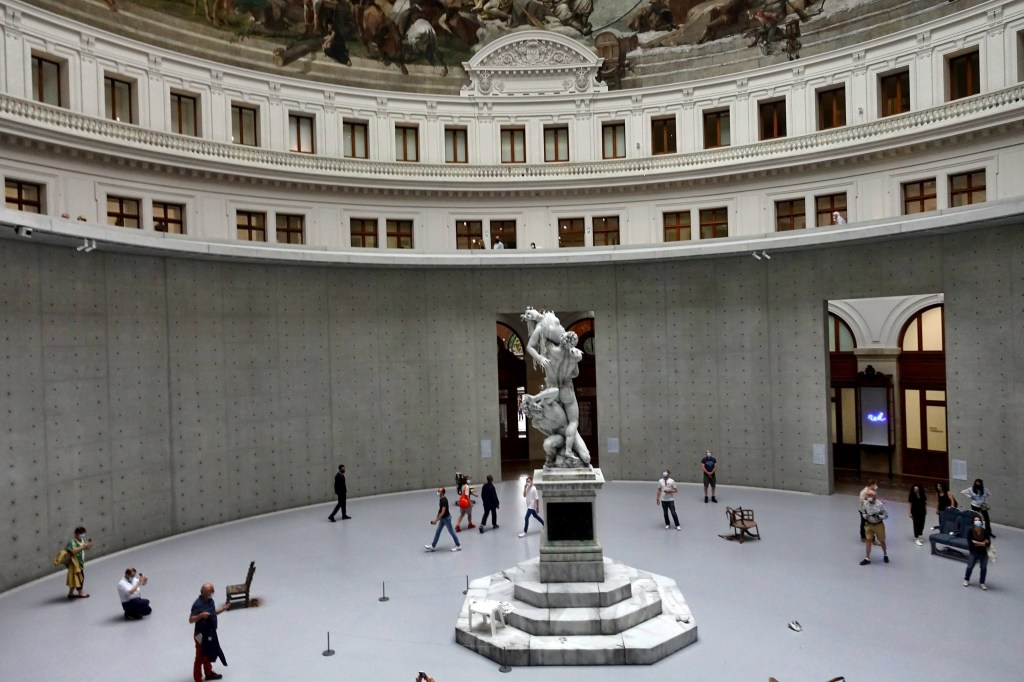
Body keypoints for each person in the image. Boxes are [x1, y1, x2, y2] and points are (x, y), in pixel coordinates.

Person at [189, 583, 229, 682]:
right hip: (200, 634)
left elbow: (213, 612)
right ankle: (198, 679)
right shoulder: (197, 604)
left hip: (209, 633)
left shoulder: (210, 601)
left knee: (208, 653)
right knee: (200, 656)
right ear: (205, 592)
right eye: (211, 591)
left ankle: (209, 673)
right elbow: (191, 619)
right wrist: (201, 615)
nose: (212, 593)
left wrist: (223, 609)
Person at [425, 487, 461, 552]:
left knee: (451, 532)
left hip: (446, 519)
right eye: (438, 491)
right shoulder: (441, 499)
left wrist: (436, 520)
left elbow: (443, 512)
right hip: (443, 518)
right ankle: (433, 546)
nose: (438, 492)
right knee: (438, 531)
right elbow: (440, 510)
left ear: (443, 493)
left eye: (439, 491)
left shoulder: (444, 500)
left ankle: (458, 545)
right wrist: (437, 517)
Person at [860, 489, 889, 565]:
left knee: (882, 540)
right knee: (868, 540)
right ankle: (867, 558)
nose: (869, 497)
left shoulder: (880, 504)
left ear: (875, 496)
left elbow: (886, 515)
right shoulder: (866, 504)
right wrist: (866, 516)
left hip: (878, 525)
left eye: (871, 495)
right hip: (869, 525)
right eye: (868, 495)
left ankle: (885, 554)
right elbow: (863, 513)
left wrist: (879, 516)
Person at [962, 515, 990, 590]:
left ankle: (982, 582)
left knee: (983, 568)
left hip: (983, 553)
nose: (977, 521)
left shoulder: (985, 532)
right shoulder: (970, 531)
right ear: (973, 522)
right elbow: (971, 543)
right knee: (970, 566)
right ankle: (966, 579)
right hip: (973, 552)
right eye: (975, 520)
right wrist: (982, 543)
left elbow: (988, 543)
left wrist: (977, 542)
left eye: (978, 520)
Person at [65, 526, 93, 599]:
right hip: (75, 563)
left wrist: (88, 545)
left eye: (83, 533)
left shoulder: (82, 541)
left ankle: (71, 593)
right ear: (76, 534)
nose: (83, 535)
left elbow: (86, 548)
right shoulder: (72, 542)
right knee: (80, 577)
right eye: (81, 533)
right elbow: (73, 551)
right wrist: (83, 546)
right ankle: (80, 593)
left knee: (75, 578)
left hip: (80, 562)